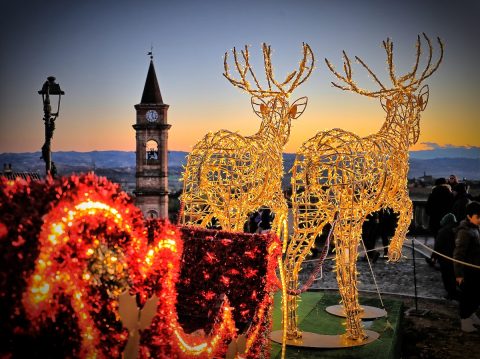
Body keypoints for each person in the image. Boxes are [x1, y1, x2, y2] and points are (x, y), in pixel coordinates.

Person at [453, 201, 480, 332]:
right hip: (468, 271)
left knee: (475, 295)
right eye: (478, 217)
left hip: (475, 269)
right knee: (468, 296)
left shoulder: (475, 228)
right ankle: (465, 320)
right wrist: (459, 275)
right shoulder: (464, 232)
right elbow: (458, 255)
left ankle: (471, 314)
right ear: (469, 216)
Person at [434, 213, 459, 300]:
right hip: (455, 257)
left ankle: (451, 294)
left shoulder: (443, 231)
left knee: (447, 276)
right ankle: (455, 292)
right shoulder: (457, 229)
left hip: (445, 258)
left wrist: (434, 256)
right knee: (453, 275)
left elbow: (438, 245)